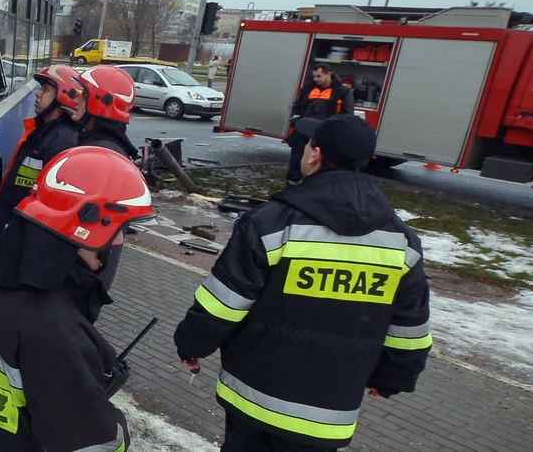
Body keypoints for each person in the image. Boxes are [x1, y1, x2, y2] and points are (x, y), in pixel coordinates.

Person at [173, 115, 431, 452]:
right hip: (327, 415)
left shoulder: (271, 224)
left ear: (314, 155)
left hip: (254, 400)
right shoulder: (401, 241)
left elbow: (223, 302)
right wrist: (393, 378)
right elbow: (410, 327)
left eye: (308, 144)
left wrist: (192, 345)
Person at [0, 146, 153, 452]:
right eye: (120, 229)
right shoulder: (55, 331)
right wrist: (105, 412)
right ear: (87, 229)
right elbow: (97, 446)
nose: (121, 241)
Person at [0, 65, 88, 244]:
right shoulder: (43, 132)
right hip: (8, 229)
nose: (38, 94)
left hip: (17, 236)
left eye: (45, 90)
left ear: (63, 96)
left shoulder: (62, 142)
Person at [75, 64, 138, 289]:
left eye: (83, 95)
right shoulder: (106, 147)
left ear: (99, 102)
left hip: (85, 271)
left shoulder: (100, 156)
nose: (75, 100)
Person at [286, 63, 354, 184]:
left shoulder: (342, 92)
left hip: (324, 134)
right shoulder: (308, 89)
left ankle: (313, 187)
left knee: (319, 164)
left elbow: (348, 114)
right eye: (314, 76)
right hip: (303, 131)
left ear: (328, 74)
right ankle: (291, 185)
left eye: (319, 76)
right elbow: (297, 106)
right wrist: (296, 121)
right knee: (296, 161)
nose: (315, 79)